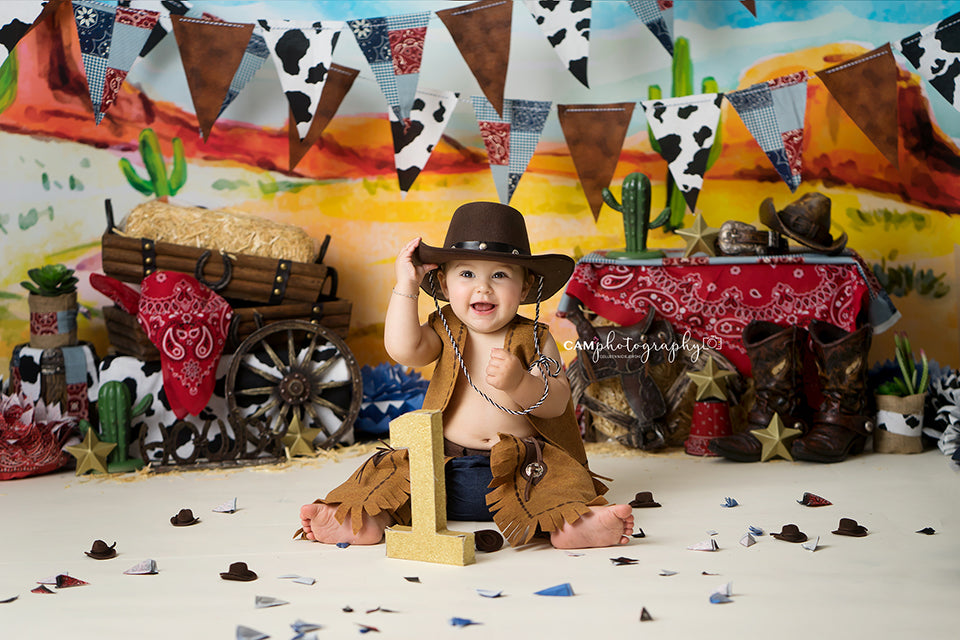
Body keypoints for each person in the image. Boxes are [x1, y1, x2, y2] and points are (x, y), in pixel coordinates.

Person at [298, 202, 634, 549]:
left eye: (500, 275)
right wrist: (406, 286)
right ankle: (363, 519)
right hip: (443, 467)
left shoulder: (535, 338)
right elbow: (404, 349)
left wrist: (522, 383)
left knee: (560, 482)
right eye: (467, 274)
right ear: (443, 284)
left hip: (521, 468)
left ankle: (573, 525)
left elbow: (557, 402)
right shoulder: (444, 327)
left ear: (525, 288)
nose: (483, 288)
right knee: (390, 473)